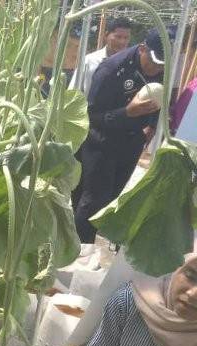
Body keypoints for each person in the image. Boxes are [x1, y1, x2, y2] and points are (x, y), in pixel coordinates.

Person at [71, 29, 170, 243]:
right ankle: (79, 249)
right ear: (142, 48)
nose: (157, 69)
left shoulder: (162, 69)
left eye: (162, 64)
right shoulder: (110, 69)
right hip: (101, 141)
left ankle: (81, 241)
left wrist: (151, 126)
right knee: (93, 201)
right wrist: (127, 112)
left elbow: (161, 101)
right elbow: (91, 116)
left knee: (111, 198)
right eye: (154, 62)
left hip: (132, 142)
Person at [69, 17, 133, 98]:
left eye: (126, 38)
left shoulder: (131, 64)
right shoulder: (90, 61)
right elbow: (73, 92)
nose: (122, 42)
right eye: (118, 37)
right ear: (106, 35)